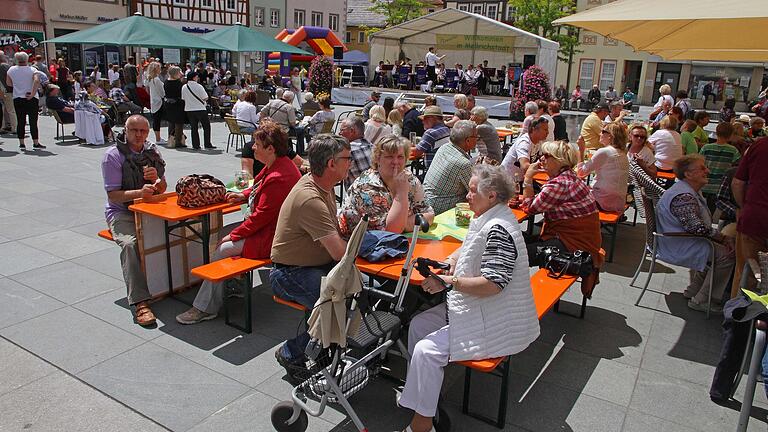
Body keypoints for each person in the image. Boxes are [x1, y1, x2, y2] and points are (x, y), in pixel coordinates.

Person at [397, 164, 539, 432]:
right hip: (482, 309)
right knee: (418, 326)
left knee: (427, 351)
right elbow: (470, 246)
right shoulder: (489, 217)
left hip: (497, 320)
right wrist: (450, 261)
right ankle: (425, 398)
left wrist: (449, 281)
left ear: (492, 195)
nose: (467, 195)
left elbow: (494, 284)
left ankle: (421, 424)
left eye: (473, 191)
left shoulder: (499, 229)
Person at [176, 120, 301, 324]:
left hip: (272, 237)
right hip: (271, 229)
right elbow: (257, 187)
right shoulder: (278, 164)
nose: (252, 148)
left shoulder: (279, 175)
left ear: (270, 148)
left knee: (224, 247)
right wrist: (243, 195)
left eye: (256, 145)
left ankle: (205, 307)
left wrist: (235, 235)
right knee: (221, 234)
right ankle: (232, 284)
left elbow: (260, 218)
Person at [270, 134, 351, 379]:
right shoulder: (311, 198)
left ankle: (324, 350)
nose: (352, 163)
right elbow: (339, 253)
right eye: (347, 158)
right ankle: (291, 352)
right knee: (340, 309)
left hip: (311, 265)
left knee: (355, 296)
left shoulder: (322, 186)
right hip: (290, 273)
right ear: (331, 164)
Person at [101, 115, 167, 326]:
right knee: (130, 245)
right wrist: (140, 192)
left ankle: (171, 283)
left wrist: (156, 178)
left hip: (148, 207)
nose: (139, 135)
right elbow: (113, 195)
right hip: (122, 211)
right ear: (125, 131)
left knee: (175, 231)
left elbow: (163, 187)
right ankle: (140, 302)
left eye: (143, 131)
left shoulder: (152, 152)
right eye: (134, 130)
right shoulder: (112, 156)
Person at [655, 154, 735, 313]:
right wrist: (723, 238)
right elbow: (697, 228)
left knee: (719, 250)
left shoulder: (686, 191)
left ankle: (694, 290)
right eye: (702, 168)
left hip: (678, 241)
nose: (707, 170)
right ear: (688, 174)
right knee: (727, 255)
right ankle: (703, 300)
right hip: (677, 245)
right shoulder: (684, 196)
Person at [521, 140, 603, 286]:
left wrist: (528, 178)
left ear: (559, 160)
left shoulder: (559, 184)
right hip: (579, 240)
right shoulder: (569, 177)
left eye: (546, 155)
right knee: (515, 239)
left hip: (574, 246)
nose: (541, 159)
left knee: (514, 254)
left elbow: (530, 208)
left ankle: (511, 295)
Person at [339, 134, 435, 237]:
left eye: (400, 157)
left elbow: (429, 213)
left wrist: (404, 224)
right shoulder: (367, 187)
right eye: (389, 157)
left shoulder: (408, 178)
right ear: (377, 159)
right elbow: (390, 231)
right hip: (361, 247)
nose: (395, 162)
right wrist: (401, 193)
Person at [731, 136, 768, 297]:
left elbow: (737, 183)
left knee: (745, 273)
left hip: (755, 218)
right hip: (756, 217)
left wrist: (745, 207)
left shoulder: (761, 145)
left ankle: (736, 316)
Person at [423, 120, 476, 214]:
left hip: (426, 200)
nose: (478, 139)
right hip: (440, 208)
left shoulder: (445, 147)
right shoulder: (463, 163)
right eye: (476, 137)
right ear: (467, 141)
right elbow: (476, 192)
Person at [577, 122, 629, 212]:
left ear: (610, 136)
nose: (600, 133)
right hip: (618, 202)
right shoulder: (623, 153)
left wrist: (581, 150)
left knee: (569, 195)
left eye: (603, 131)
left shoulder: (605, 152)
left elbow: (581, 173)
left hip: (602, 201)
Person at [6, 52, 43, 151]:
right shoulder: (33, 69)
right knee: (33, 121)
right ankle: (35, 142)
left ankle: (21, 143)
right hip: (31, 98)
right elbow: (36, 81)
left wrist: (18, 86)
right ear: (27, 60)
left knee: (20, 120)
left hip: (18, 97)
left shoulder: (11, 70)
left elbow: (8, 83)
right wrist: (32, 93)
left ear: (16, 60)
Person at [699, 122, 740, 209]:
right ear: (730, 135)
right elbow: (736, 166)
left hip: (705, 184)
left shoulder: (706, 148)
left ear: (716, 133)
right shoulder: (733, 150)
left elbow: (699, 163)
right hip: (720, 186)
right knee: (712, 210)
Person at [501, 116, 549, 184]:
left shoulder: (538, 141)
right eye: (545, 130)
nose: (548, 132)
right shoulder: (524, 143)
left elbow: (540, 159)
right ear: (534, 129)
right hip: (507, 182)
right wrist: (547, 170)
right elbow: (525, 166)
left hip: (519, 179)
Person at [182, 71, 214, 150]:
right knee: (206, 126)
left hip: (189, 109)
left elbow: (183, 98)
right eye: (197, 77)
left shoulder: (184, 87)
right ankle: (207, 143)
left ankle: (196, 145)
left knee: (194, 127)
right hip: (200, 109)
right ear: (194, 78)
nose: (198, 78)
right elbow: (205, 97)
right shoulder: (199, 86)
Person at [340, 117, 372, 189]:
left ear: (352, 131)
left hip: (357, 195)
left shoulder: (347, 152)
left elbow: (334, 175)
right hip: (376, 191)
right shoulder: (370, 145)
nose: (339, 133)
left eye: (342, 130)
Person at [163, 66, 186, 148]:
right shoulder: (178, 83)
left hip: (169, 103)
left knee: (171, 122)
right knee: (179, 123)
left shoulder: (166, 82)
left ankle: (170, 139)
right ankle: (178, 141)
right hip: (178, 104)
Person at [145, 62, 166, 145]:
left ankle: (158, 137)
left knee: (156, 119)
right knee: (157, 119)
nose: (160, 69)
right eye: (159, 67)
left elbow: (147, 90)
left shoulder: (150, 79)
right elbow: (162, 92)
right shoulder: (156, 79)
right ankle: (158, 138)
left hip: (153, 100)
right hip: (159, 101)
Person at [0, 53, 17, 135]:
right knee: (11, 110)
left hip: (2, 90)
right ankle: (15, 128)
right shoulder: (5, 66)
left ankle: (3, 126)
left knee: (3, 110)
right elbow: (12, 77)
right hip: (8, 90)